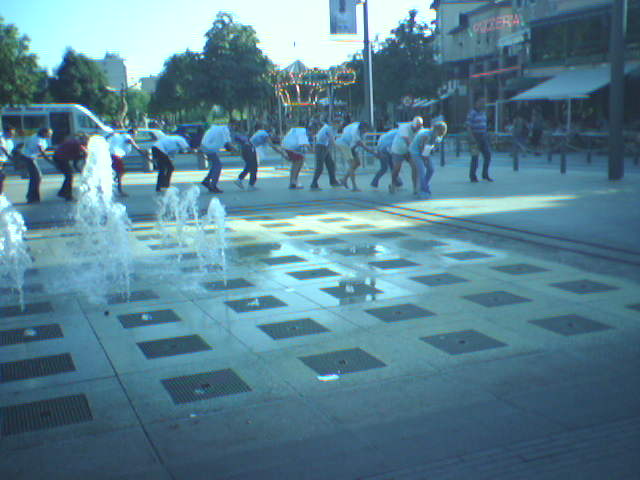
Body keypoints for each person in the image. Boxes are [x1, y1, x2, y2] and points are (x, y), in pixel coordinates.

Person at [235, 125, 286, 190]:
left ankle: (242, 180)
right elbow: (272, 146)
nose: (273, 136)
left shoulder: (260, 132)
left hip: (246, 148)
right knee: (253, 166)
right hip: (249, 149)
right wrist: (282, 153)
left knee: (250, 166)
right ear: (270, 132)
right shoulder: (265, 135)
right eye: (273, 134)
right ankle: (246, 183)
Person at [409, 121, 448, 198]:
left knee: (431, 169)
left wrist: (427, 156)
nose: (441, 134)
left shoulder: (439, 137)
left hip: (425, 151)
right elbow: (422, 149)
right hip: (415, 151)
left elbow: (431, 148)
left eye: (442, 133)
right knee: (422, 170)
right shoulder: (426, 135)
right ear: (435, 130)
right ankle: (423, 190)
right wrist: (425, 159)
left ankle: (423, 186)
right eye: (440, 132)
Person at [336, 122, 377, 192]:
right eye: (366, 129)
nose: (367, 131)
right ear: (363, 128)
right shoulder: (355, 131)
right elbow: (361, 144)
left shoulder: (362, 132)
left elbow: (358, 144)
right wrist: (374, 153)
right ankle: (354, 187)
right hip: (344, 144)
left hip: (351, 145)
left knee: (357, 163)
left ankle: (344, 180)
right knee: (352, 165)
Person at [108, 128, 150, 196]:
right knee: (120, 173)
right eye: (135, 134)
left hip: (112, 155)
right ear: (131, 133)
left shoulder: (121, 136)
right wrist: (139, 150)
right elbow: (129, 141)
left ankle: (113, 185)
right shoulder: (127, 135)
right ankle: (119, 191)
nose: (135, 136)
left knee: (118, 173)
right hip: (115, 156)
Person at [389, 116, 423, 194]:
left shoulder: (420, 129)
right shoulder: (404, 127)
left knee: (415, 166)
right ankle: (393, 184)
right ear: (413, 125)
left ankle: (415, 187)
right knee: (397, 168)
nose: (417, 130)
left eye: (419, 128)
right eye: (416, 128)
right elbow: (408, 142)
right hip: (398, 149)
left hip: (408, 150)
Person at [17, 127, 52, 203]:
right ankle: (32, 197)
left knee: (36, 178)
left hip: (30, 157)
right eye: (49, 134)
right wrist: (51, 161)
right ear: (44, 133)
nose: (50, 135)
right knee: (36, 177)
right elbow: (42, 152)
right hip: (28, 158)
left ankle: (33, 197)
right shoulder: (37, 139)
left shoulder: (38, 137)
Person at [200, 124, 235, 193]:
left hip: (205, 145)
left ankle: (207, 180)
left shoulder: (217, 128)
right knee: (218, 166)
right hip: (209, 148)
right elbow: (227, 143)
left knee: (215, 165)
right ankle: (213, 185)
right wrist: (235, 150)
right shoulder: (225, 130)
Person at [52, 134, 88, 201]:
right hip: (61, 158)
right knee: (69, 176)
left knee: (69, 176)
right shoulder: (78, 145)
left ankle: (63, 193)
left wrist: (79, 169)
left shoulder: (75, 143)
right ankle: (67, 195)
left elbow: (75, 161)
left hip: (59, 157)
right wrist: (81, 170)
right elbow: (77, 160)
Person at [467, 97, 493, 182]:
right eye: (482, 102)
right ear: (477, 102)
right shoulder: (472, 113)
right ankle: (473, 176)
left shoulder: (483, 113)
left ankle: (485, 174)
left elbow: (484, 125)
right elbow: (468, 126)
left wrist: (487, 135)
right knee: (475, 157)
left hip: (483, 137)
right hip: (475, 136)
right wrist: (471, 137)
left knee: (488, 155)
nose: (484, 104)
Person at [309, 119, 340, 190]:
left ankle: (333, 181)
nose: (339, 125)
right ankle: (314, 183)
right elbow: (332, 140)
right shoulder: (328, 128)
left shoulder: (334, 129)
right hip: (320, 146)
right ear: (333, 123)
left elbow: (331, 141)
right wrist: (340, 148)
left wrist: (329, 149)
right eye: (337, 123)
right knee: (320, 167)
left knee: (331, 164)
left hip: (325, 146)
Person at [0, 127, 15, 194]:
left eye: (13, 133)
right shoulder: (1, 138)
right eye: (11, 133)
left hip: (3, 160)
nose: (12, 135)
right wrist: (11, 157)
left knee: (2, 177)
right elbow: (3, 149)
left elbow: (10, 151)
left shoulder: (9, 141)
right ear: (6, 132)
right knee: (1, 176)